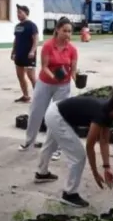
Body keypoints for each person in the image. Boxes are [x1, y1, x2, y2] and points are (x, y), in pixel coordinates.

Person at [35, 89, 113, 208]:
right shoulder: (101, 114)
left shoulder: (109, 111)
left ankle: (42, 174)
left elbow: (104, 142)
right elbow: (90, 146)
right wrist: (95, 173)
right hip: (58, 116)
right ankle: (69, 194)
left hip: (55, 110)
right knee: (78, 157)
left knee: (50, 144)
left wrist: (107, 167)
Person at [19, 17, 78, 162]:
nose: (67, 34)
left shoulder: (72, 50)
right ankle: (29, 141)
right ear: (57, 30)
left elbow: (74, 71)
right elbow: (44, 66)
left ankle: (56, 149)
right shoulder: (48, 46)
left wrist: (78, 80)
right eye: (64, 30)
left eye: (70, 31)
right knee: (36, 112)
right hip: (45, 83)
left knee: (57, 117)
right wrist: (53, 76)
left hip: (63, 86)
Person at [11, 4, 38, 103]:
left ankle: (39, 97)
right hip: (19, 55)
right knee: (20, 76)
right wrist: (13, 51)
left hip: (29, 56)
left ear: (26, 13)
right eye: (17, 13)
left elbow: (35, 40)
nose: (18, 15)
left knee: (32, 77)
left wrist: (32, 51)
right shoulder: (17, 26)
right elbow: (16, 39)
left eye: (20, 12)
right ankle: (26, 96)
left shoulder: (31, 25)